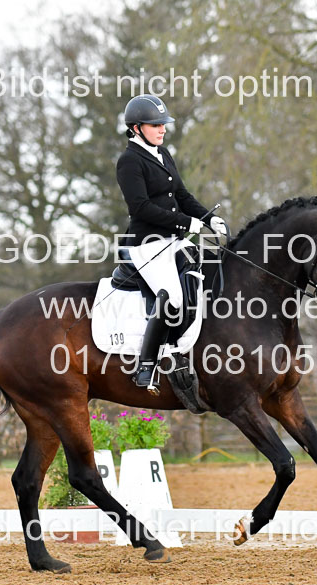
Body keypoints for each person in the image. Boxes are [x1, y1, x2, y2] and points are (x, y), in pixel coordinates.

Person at [115, 94, 226, 394]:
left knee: (206, 276)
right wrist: (186, 224)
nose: (162, 129)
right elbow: (139, 208)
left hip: (171, 241)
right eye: (155, 125)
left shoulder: (163, 154)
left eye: (163, 124)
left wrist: (207, 218)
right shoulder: (129, 161)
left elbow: (182, 196)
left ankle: (185, 350)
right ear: (137, 128)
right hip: (146, 245)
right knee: (172, 297)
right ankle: (146, 367)